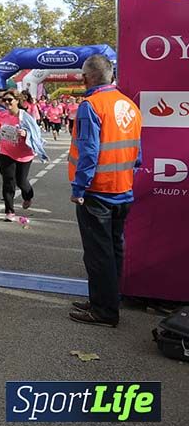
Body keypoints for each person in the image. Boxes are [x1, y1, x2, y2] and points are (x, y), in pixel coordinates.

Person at [68, 55, 142, 328]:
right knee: (114, 249)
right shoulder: (129, 105)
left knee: (98, 253)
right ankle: (107, 299)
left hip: (97, 192)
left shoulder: (91, 106)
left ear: (86, 78)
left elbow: (88, 152)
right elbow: (137, 151)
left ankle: (104, 310)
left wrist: (79, 188)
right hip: (123, 188)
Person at [0, 88, 47, 222]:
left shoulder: (26, 117)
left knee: (21, 182)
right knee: (8, 182)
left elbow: (36, 134)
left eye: (10, 100)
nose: (6, 102)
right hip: (5, 151)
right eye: (4, 100)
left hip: (24, 154)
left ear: (17, 101)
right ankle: (9, 211)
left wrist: (26, 134)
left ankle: (28, 196)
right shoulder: (2, 115)